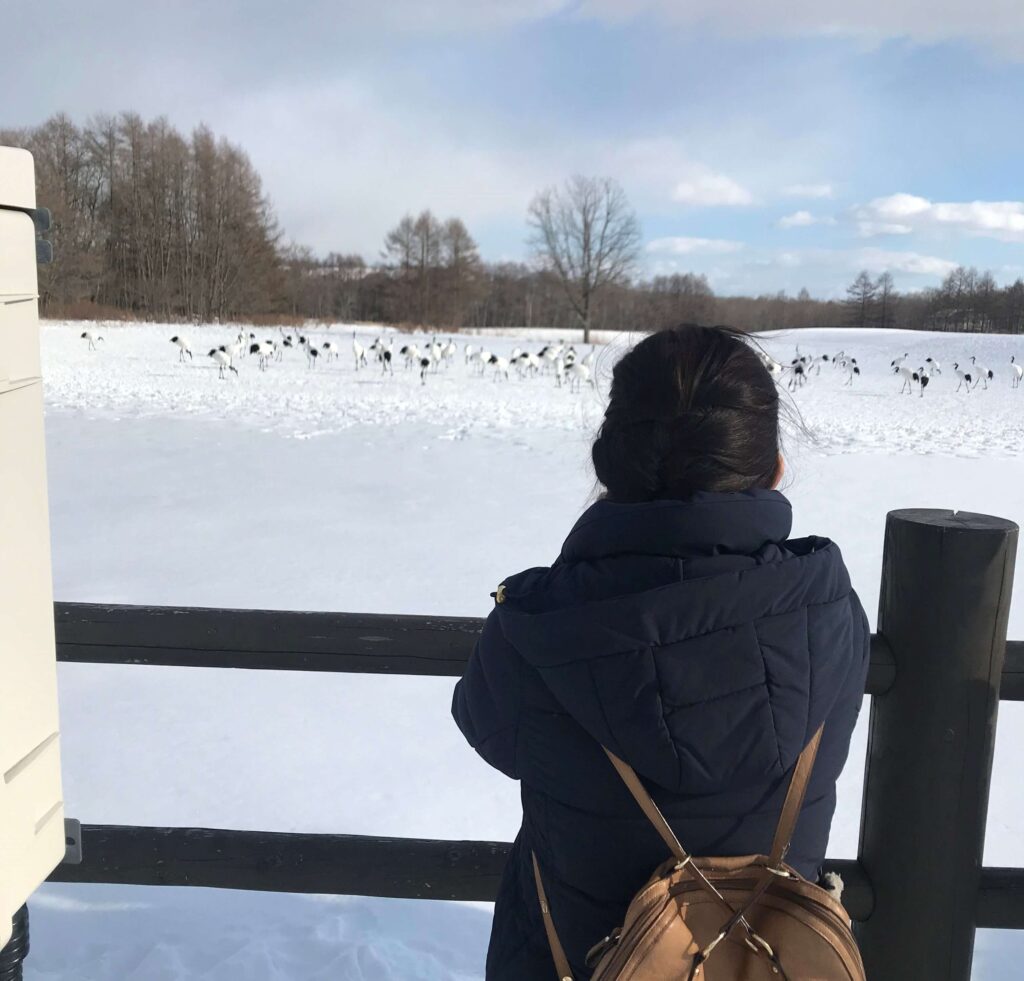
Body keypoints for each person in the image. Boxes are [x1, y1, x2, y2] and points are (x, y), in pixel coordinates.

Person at [451, 324, 871, 979]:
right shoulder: (832, 613)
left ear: (610, 465)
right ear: (774, 468)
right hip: (777, 965)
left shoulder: (537, 626)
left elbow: (489, 733)